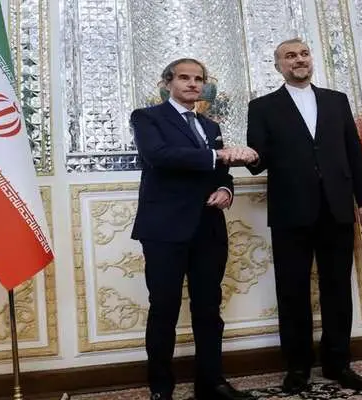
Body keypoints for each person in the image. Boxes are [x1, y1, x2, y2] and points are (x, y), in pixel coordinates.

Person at [246, 38, 362, 393]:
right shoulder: (262, 107)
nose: (299, 60)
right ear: (278, 66)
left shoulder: (337, 100)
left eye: (304, 54)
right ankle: (297, 367)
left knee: (338, 289)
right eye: (290, 56)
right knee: (292, 291)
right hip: (290, 211)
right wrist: (247, 155)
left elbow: (354, 152)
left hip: (337, 208)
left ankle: (338, 363)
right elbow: (258, 162)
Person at [131, 58, 258, 400]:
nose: (192, 84)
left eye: (198, 79)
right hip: (164, 230)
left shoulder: (210, 125)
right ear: (167, 83)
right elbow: (159, 156)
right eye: (184, 78)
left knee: (209, 310)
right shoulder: (146, 118)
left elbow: (220, 173)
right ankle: (161, 388)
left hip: (208, 228)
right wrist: (218, 156)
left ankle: (211, 383)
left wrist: (226, 189)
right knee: (164, 310)